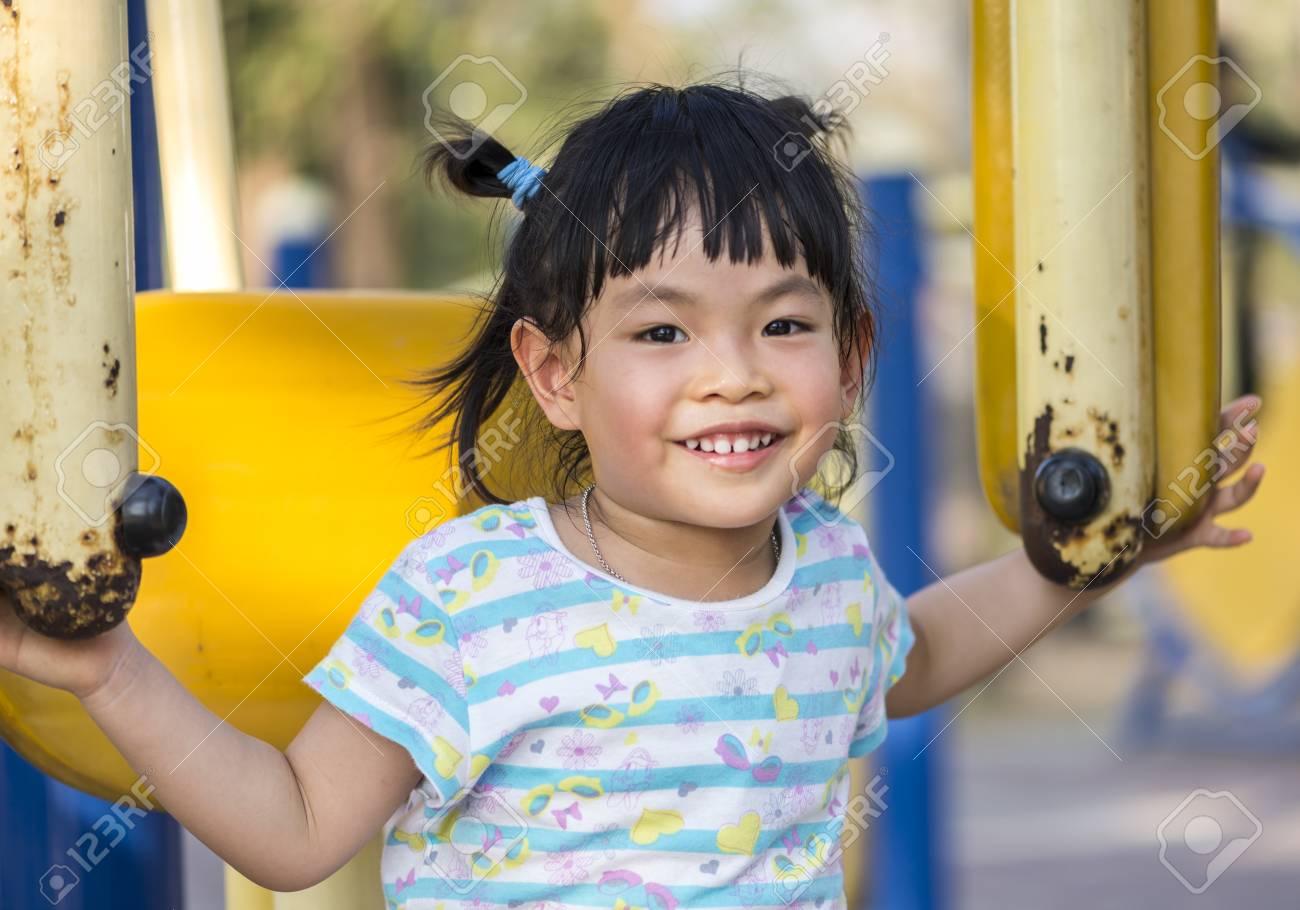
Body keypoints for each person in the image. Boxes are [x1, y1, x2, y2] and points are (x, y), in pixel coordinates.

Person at [0, 80, 1266, 908]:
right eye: (662, 333)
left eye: (782, 324)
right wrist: (112, 672)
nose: (731, 375)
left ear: (852, 357)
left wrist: (1086, 555)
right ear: (556, 373)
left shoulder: (826, 572)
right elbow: (293, 827)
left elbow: (913, 653)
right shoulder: (473, 595)